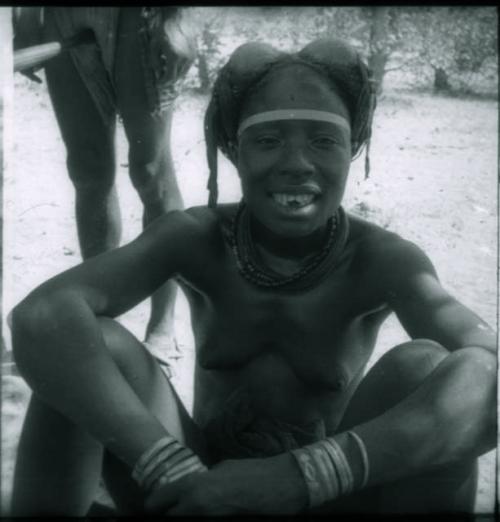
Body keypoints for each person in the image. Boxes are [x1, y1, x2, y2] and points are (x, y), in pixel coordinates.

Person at [10, 38, 496, 516]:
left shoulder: (383, 260)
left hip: (328, 496)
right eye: (266, 141)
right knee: (80, 348)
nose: (296, 163)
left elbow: (491, 377)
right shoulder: (192, 238)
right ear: (232, 150)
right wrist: (173, 467)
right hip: (188, 485)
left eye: (324, 141)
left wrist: (300, 478)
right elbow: (42, 316)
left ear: (353, 150)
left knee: (427, 367)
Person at [12, 7, 197, 354]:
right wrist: (25, 18)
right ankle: (101, 320)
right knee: (88, 169)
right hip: (61, 13)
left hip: (139, 14)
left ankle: (162, 326)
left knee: (150, 170)